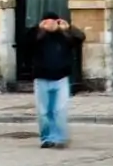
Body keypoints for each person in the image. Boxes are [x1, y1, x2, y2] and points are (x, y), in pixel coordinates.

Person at [26, 11, 80, 149]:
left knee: (59, 110)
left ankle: (60, 137)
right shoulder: (38, 36)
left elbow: (80, 38)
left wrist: (69, 29)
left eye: (53, 21)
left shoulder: (64, 36)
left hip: (61, 78)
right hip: (42, 78)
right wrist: (39, 29)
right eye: (47, 21)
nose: (50, 24)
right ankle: (47, 138)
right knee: (43, 112)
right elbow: (26, 42)